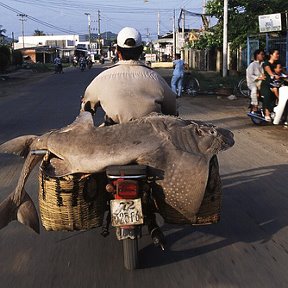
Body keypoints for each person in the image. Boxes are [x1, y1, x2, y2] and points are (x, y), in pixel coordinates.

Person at [81, 26, 177, 124]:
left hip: (113, 134)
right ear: (140, 51)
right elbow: (172, 109)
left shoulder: (101, 79)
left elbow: (85, 111)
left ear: (118, 51)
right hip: (150, 133)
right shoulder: (156, 78)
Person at [260, 49, 280, 122]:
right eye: (276, 54)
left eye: (278, 54)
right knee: (268, 95)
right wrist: (273, 75)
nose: (278, 55)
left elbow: (282, 71)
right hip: (267, 84)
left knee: (279, 94)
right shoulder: (266, 63)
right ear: (271, 55)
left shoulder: (278, 63)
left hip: (276, 84)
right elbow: (269, 72)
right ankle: (266, 113)